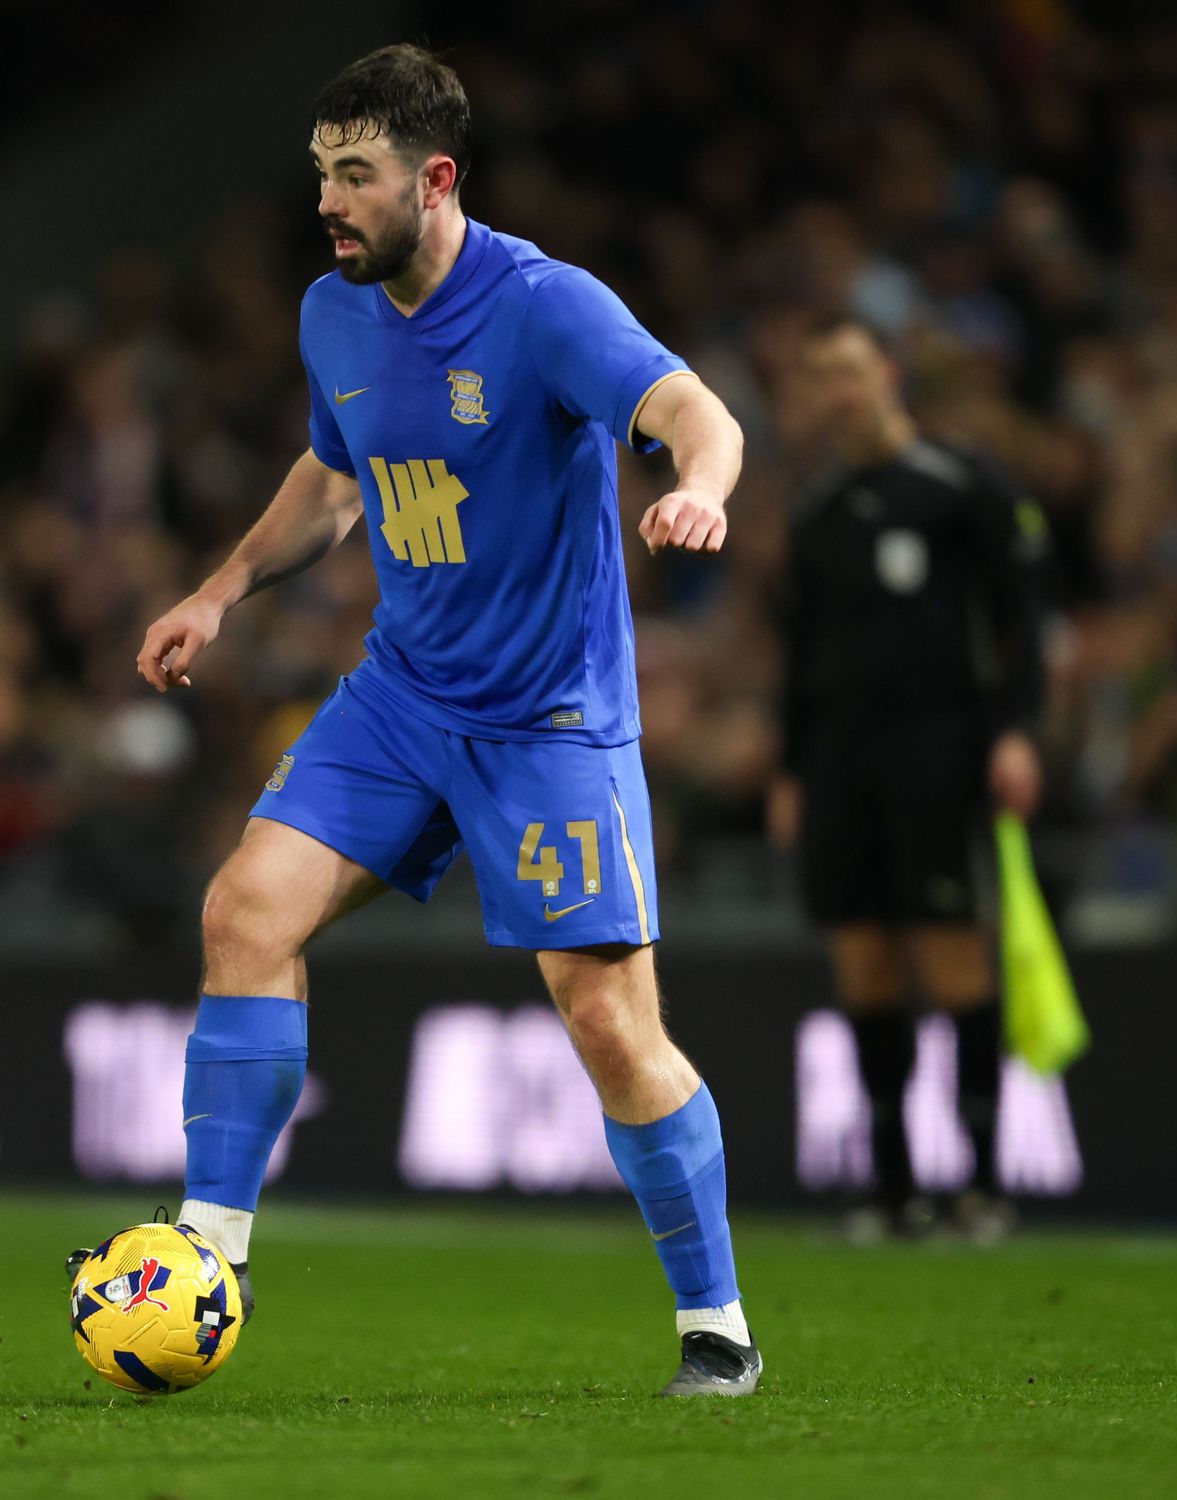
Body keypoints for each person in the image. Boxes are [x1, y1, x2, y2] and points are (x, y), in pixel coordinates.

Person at [116, 44, 758, 1397]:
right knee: (244, 911)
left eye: (355, 176)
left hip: (549, 719)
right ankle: (205, 1261)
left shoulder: (543, 308)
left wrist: (698, 485)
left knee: (604, 1024)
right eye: (321, 175)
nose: (330, 203)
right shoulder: (333, 314)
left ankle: (717, 1325)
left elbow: (694, 409)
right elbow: (334, 475)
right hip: (403, 700)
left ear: (437, 178)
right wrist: (222, 588)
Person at [768, 315, 1046, 1242]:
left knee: (952, 948)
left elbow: (1021, 623)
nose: (838, 391)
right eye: (821, 376)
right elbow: (797, 656)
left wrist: (1014, 732)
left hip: (943, 748)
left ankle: (980, 1180)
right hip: (844, 761)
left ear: (887, 372)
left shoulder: (962, 487)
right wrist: (791, 767)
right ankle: (890, 1187)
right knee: (864, 958)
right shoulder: (815, 515)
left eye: (850, 369)